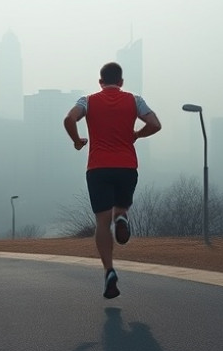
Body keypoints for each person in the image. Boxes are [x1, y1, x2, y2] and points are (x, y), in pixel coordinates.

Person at [63, 62, 161, 299]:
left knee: (101, 222)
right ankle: (122, 217)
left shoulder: (87, 100)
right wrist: (137, 134)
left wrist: (77, 141)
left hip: (98, 169)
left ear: (100, 82)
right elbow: (155, 124)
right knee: (121, 208)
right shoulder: (134, 100)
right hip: (127, 167)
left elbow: (69, 119)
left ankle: (108, 270)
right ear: (121, 82)